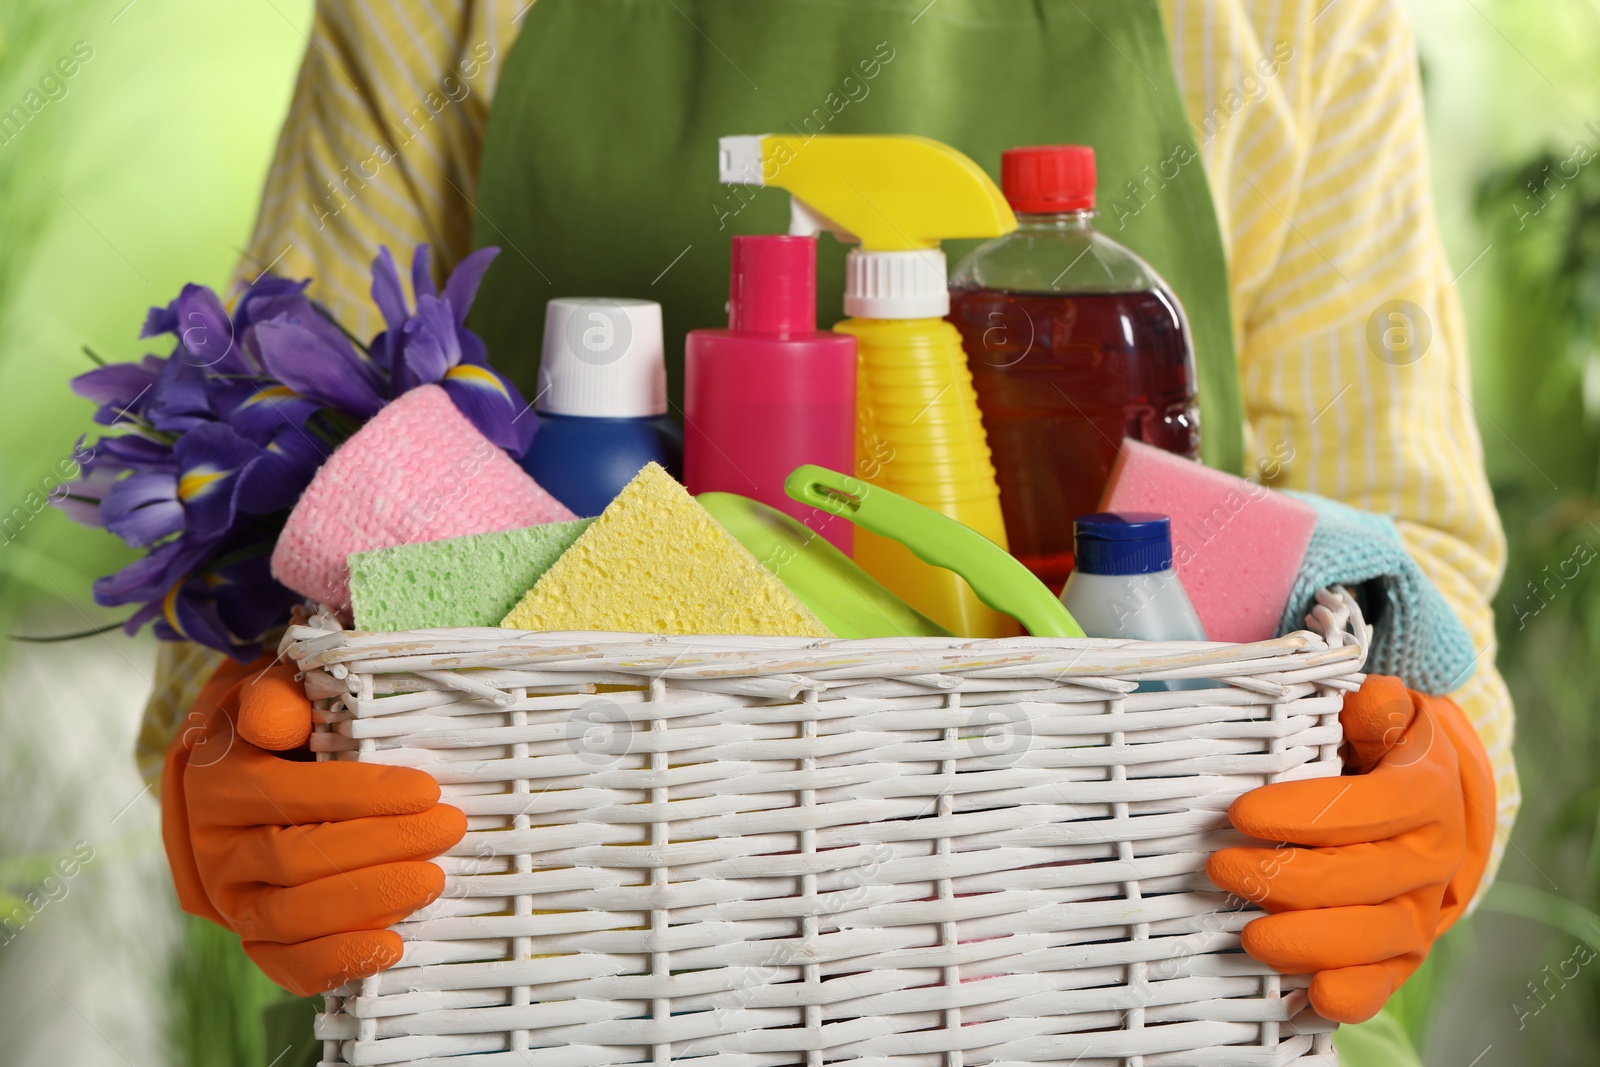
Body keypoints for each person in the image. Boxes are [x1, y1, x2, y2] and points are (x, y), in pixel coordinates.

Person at [148, 3, 1516, 1065]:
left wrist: (1438, 771)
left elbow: (1402, 552)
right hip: (556, 973)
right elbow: (278, 491)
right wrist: (227, 750)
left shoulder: (1287, 21)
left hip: (1160, 974)